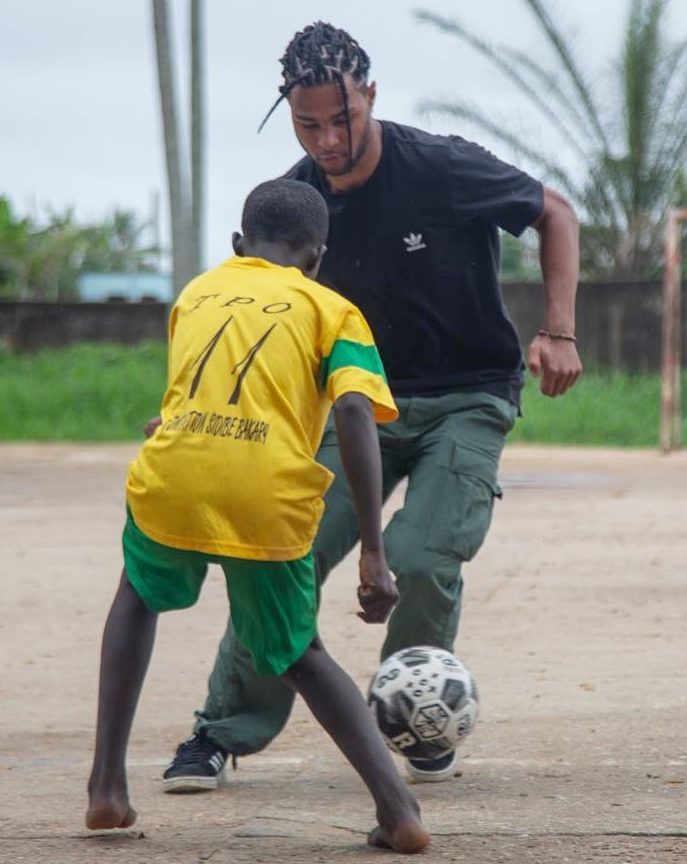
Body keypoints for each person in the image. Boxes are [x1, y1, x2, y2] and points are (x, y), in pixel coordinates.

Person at [163, 21, 583, 789]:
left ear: (370, 95)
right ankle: (222, 731)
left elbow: (554, 212)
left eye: (341, 118)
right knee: (282, 552)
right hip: (357, 408)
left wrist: (558, 330)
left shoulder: (441, 165)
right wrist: (195, 404)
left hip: (465, 397)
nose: (327, 140)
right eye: (308, 123)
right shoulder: (299, 205)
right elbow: (255, 319)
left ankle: (415, 715)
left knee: (423, 556)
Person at [85, 178, 431, 855]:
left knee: (137, 593)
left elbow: (186, 392)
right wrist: (370, 547)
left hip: (172, 473)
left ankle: (105, 787)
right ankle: (398, 809)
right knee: (298, 652)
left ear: (238, 244)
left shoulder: (195, 293)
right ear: (315, 257)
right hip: (263, 489)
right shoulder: (331, 309)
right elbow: (356, 412)